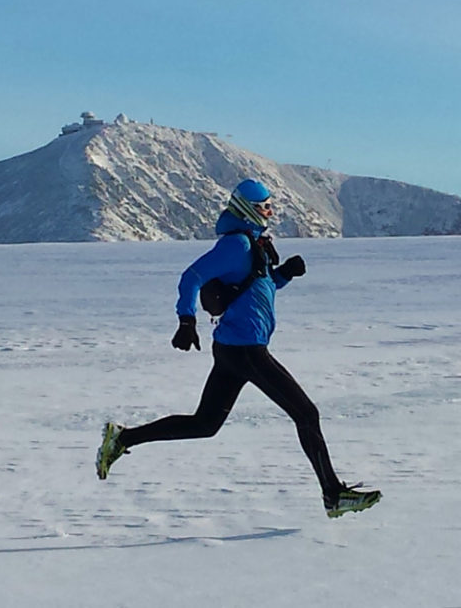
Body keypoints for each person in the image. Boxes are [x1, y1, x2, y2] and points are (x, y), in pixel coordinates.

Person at [95, 178, 381, 518]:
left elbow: (254, 289)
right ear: (247, 209)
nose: (270, 211)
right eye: (264, 206)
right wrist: (186, 320)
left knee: (205, 424)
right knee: (307, 414)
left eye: (271, 205)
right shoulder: (238, 246)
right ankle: (333, 495)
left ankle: (123, 439)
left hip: (234, 350)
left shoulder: (253, 244)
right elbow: (191, 277)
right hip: (247, 352)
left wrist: (283, 276)